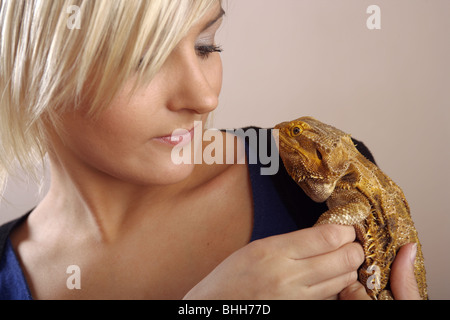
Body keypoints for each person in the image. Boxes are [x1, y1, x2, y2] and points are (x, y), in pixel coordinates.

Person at [0, 0, 421, 300]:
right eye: (142, 61)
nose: (204, 99)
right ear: (36, 69)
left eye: (206, 45)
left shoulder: (311, 175)